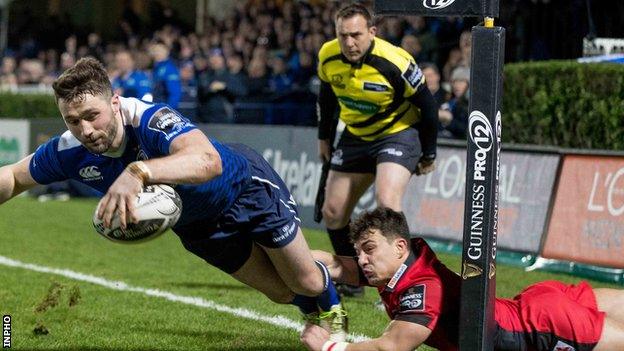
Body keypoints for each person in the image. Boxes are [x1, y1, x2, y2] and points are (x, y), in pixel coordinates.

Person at [0, 57, 347, 341]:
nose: (86, 130)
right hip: (198, 226)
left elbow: (208, 162)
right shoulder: (70, 149)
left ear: (115, 103)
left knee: (306, 282)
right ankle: (319, 286)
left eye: (93, 115)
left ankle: (333, 308)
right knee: (281, 292)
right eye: (73, 121)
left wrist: (139, 171)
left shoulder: (151, 119)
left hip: (244, 190)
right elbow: (14, 176)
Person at [301, 207, 624, 351]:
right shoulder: (401, 263)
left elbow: (391, 347)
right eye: (359, 252)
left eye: (368, 250)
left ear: (400, 246)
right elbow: (335, 265)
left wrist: (329, 346)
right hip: (534, 304)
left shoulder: (422, 290)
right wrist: (279, 245)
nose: (362, 260)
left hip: (539, 331)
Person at [316, 4, 438, 297]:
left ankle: (406, 284)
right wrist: (324, 138)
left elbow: (428, 106)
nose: (349, 43)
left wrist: (429, 153)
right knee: (333, 212)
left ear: (372, 32)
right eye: (342, 35)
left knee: (387, 204)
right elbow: (327, 99)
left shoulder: (395, 61)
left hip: (397, 133)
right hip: (355, 135)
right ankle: (355, 277)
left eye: (356, 34)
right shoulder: (327, 55)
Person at [149, 40, 182, 108]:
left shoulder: (170, 69)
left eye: (160, 50)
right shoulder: (155, 68)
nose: (157, 53)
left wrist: (169, 111)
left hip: (164, 110)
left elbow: (175, 94)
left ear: (167, 52)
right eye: (155, 50)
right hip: (156, 107)